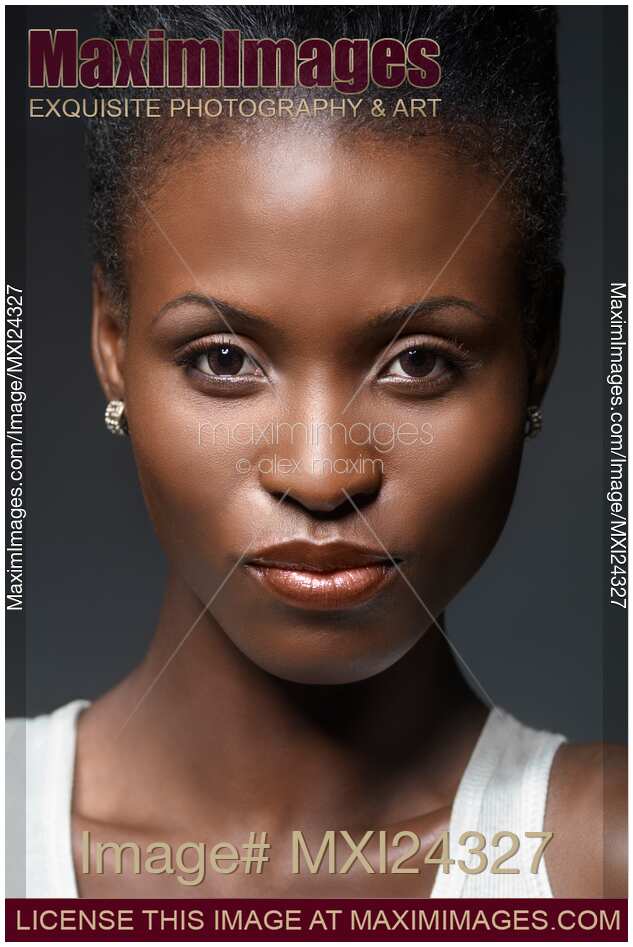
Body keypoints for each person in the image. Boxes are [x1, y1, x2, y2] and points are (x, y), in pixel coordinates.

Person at [8, 5, 626, 899]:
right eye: (223, 360)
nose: (322, 473)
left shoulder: (603, 868)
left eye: (418, 363)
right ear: (111, 340)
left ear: (541, 347)